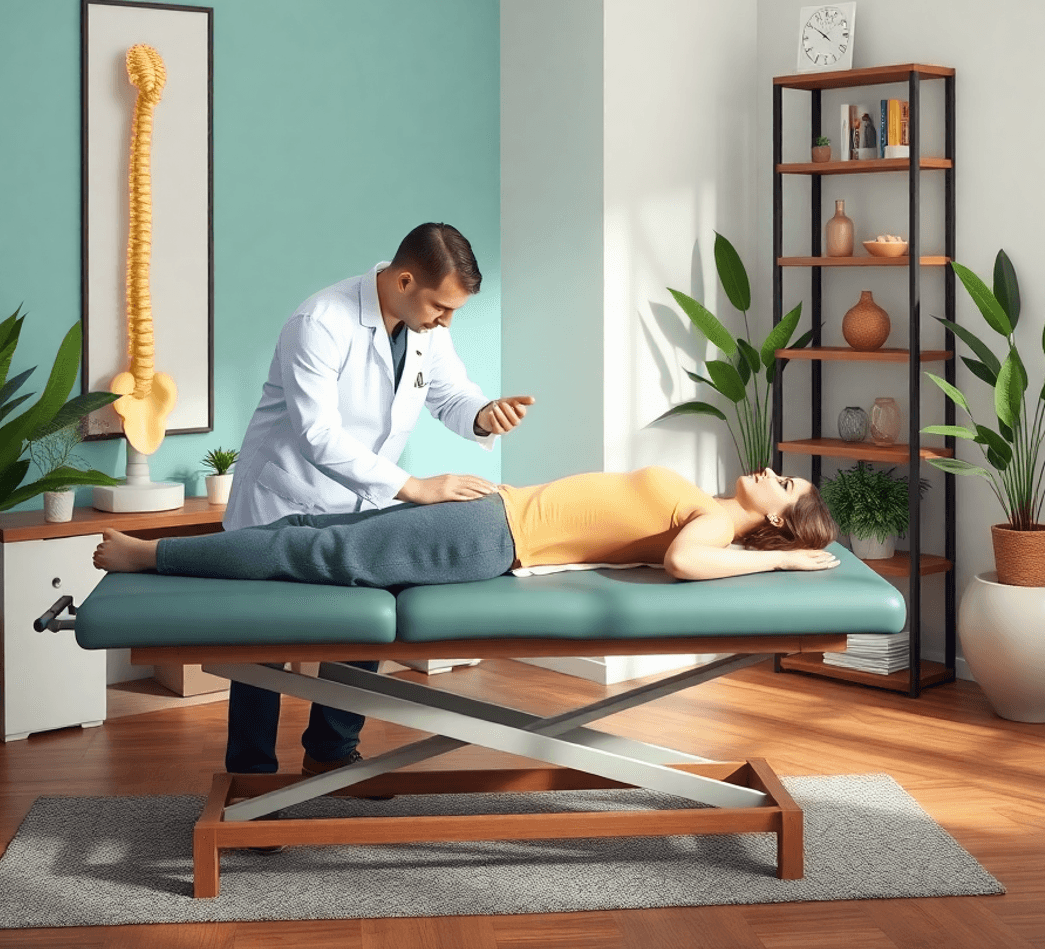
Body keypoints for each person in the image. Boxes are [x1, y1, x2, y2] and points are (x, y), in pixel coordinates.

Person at [219, 223, 533, 784]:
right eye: (441, 306)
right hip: (282, 498)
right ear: (405, 279)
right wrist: (413, 487)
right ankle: (251, 778)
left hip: (360, 501)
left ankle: (332, 752)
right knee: (262, 646)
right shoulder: (319, 322)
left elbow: (449, 393)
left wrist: (484, 412)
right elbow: (317, 435)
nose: (446, 321)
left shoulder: (426, 326)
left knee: (363, 628)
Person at [95, 466, 840, 587]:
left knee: (315, 551)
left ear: (776, 515)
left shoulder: (714, 525)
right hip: (493, 511)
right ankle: (157, 555)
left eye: (785, 483)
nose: (773, 472)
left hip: (492, 539)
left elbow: (685, 564)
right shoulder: (706, 498)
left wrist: (785, 563)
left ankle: (148, 559)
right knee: (312, 522)